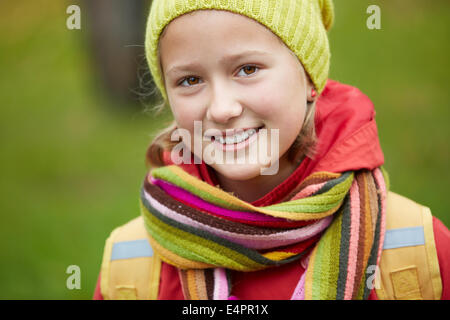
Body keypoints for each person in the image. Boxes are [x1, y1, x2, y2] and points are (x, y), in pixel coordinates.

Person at [93, 0, 449, 300]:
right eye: (190, 80)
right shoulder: (133, 268)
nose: (221, 108)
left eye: (247, 69)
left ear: (309, 76)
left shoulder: (415, 251)